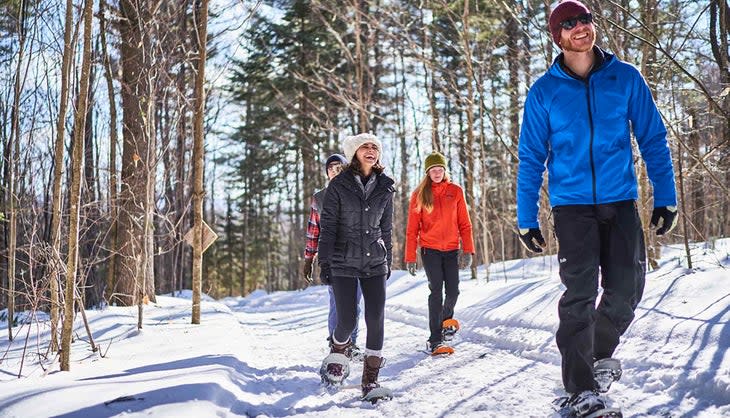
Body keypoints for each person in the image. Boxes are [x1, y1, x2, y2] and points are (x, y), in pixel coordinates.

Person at [516, 1, 678, 416]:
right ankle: (581, 390)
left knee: (627, 289)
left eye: (584, 20)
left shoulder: (624, 78)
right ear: (558, 36)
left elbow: (653, 138)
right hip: (571, 208)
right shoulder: (544, 91)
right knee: (580, 294)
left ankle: (596, 354)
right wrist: (526, 218)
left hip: (620, 199)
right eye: (568, 24)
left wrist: (666, 194)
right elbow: (532, 157)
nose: (580, 28)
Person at [317, 133, 395, 400]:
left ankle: (370, 382)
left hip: (375, 260)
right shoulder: (338, 185)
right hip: (342, 260)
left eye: (375, 147)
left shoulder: (386, 186)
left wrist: (389, 260)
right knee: (347, 319)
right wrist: (324, 261)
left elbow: (387, 228)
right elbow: (327, 227)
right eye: (365, 147)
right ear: (354, 153)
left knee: (376, 319)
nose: (371, 150)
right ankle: (338, 353)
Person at [404, 151, 475, 356]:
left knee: (453, 291)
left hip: (452, 250)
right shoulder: (419, 194)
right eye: (432, 170)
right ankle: (435, 339)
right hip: (430, 250)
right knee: (436, 291)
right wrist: (410, 257)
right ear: (427, 172)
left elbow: (465, 224)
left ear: (444, 170)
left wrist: (468, 250)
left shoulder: (456, 191)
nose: (436, 172)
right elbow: (412, 229)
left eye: (439, 169)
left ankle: (445, 322)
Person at [302, 153, 363, 357]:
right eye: (331, 168)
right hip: (333, 258)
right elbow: (313, 230)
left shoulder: (358, 192)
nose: (335, 171)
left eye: (340, 168)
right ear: (327, 173)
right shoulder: (320, 198)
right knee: (337, 303)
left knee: (354, 303)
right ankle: (336, 343)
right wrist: (309, 259)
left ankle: (351, 343)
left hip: (358, 256)